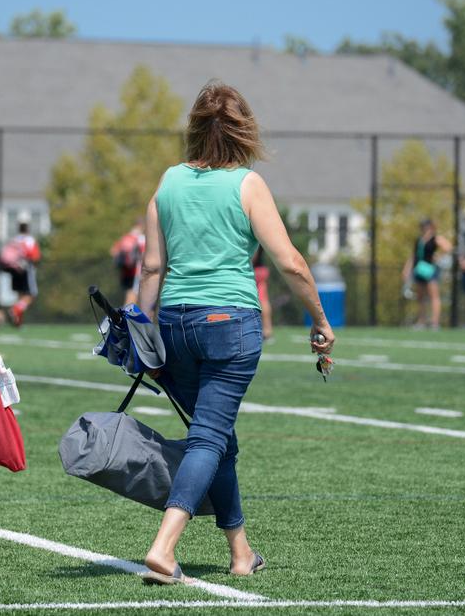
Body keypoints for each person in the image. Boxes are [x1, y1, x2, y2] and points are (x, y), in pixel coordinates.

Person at [136, 80, 335, 584]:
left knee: (218, 437)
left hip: (175, 323)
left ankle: (241, 553)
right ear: (245, 131)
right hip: (230, 323)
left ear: (194, 130)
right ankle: (164, 545)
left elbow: (151, 268)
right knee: (208, 436)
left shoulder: (168, 181)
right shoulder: (247, 184)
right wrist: (319, 319)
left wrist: (141, 331)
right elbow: (289, 261)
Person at [400, 218, 452, 330]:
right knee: (420, 297)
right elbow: (413, 256)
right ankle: (421, 321)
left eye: (427, 226)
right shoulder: (419, 240)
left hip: (431, 269)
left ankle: (435, 322)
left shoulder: (435, 238)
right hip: (419, 269)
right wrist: (407, 269)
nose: (425, 228)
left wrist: (439, 256)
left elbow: (448, 247)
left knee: (434, 295)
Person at [5, 221, 41, 327]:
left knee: (20, 296)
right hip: (26, 269)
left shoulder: (14, 240)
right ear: (27, 230)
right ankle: (14, 310)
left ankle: (18, 322)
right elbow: (35, 256)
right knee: (31, 295)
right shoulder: (29, 240)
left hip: (14, 270)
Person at [110, 219, 146, 306]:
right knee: (133, 298)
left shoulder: (125, 237)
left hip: (125, 272)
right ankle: (127, 318)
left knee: (130, 295)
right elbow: (145, 255)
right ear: (142, 226)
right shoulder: (140, 238)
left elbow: (113, 251)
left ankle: (127, 317)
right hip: (136, 272)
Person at [252, 248, 274, 340]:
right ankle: (268, 329)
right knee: (263, 299)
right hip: (261, 270)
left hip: (255, 270)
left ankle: (266, 330)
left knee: (262, 300)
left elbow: (254, 254)